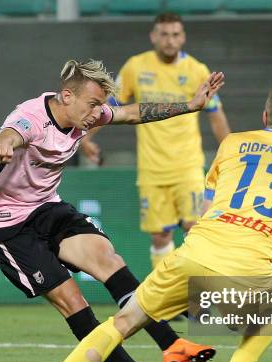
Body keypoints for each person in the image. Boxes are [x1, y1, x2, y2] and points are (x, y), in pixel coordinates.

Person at [14, 82, 272, 362]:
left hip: (194, 253)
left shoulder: (233, 144)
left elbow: (211, 211)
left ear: (265, 116)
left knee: (122, 322)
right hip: (245, 267)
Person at [0, 60, 224, 362]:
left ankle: (171, 343)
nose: (98, 113)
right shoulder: (31, 117)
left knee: (108, 259)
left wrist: (191, 106)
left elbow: (132, 113)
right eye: (93, 104)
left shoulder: (86, 115)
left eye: (100, 106)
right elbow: (9, 133)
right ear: (66, 96)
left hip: (47, 207)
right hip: (8, 224)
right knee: (72, 301)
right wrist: (1, 143)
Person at [82, 12, 231, 271]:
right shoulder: (136, 67)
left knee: (195, 231)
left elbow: (215, 115)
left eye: (175, 35)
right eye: (164, 34)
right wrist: (85, 138)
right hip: (152, 170)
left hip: (188, 167)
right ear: (153, 36)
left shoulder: (196, 70)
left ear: (182, 37)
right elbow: (110, 107)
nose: (170, 40)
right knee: (160, 236)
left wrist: (231, 153)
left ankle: (194, 301)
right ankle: (166, 303)